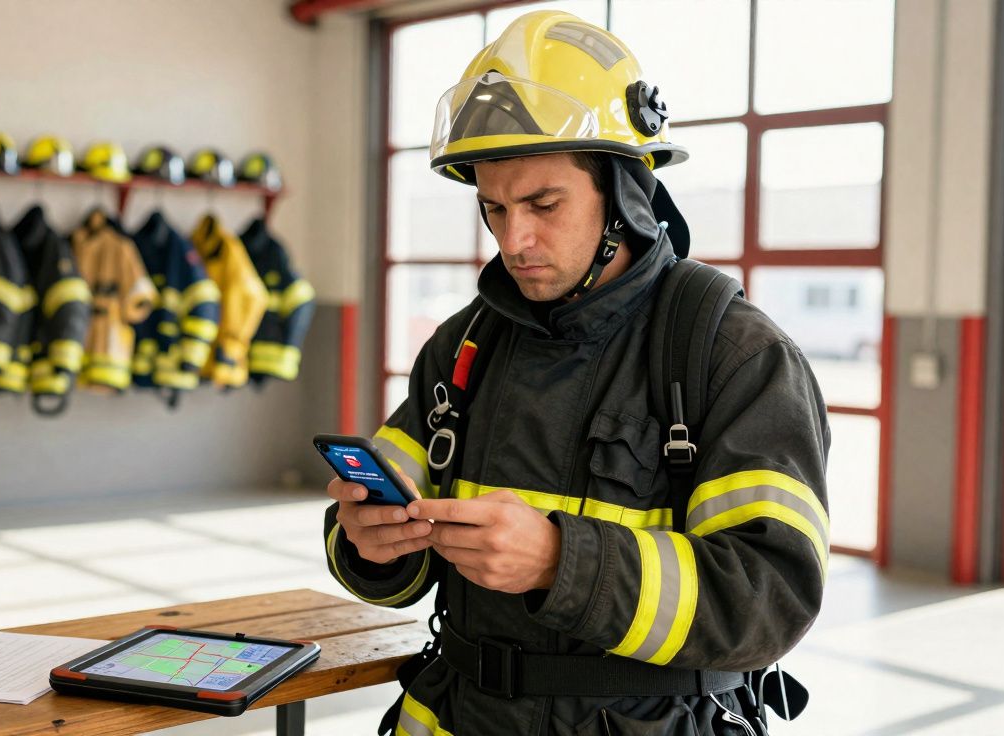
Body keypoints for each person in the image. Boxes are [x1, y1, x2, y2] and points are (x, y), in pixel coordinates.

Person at [324, 11, 830, 736]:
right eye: (494, 207)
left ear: (626, 195)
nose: (513, 239)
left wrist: (562, 562)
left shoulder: (732, 356)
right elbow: (383, 546)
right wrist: (368, 544)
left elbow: (767, 600)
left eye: (543, 204)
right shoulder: (461, 346)